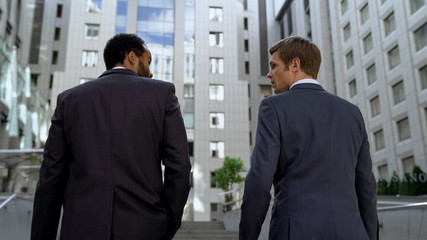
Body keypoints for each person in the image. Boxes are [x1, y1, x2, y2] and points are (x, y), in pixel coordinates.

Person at [31, 33, 191, 240]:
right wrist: (167, 222)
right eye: (148, 62)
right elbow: (179, 166)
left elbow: (50, 178)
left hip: (80, 230)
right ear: (132, 57)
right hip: (146, 228)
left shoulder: (68, 100)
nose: (150, 73)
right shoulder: (163, 94)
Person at [239, 36, 378, 240]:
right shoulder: (352, 112)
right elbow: (366, 184)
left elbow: (259, 181)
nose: (269, 74)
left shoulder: (273, 107)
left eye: (274, 66)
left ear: (295, 64)